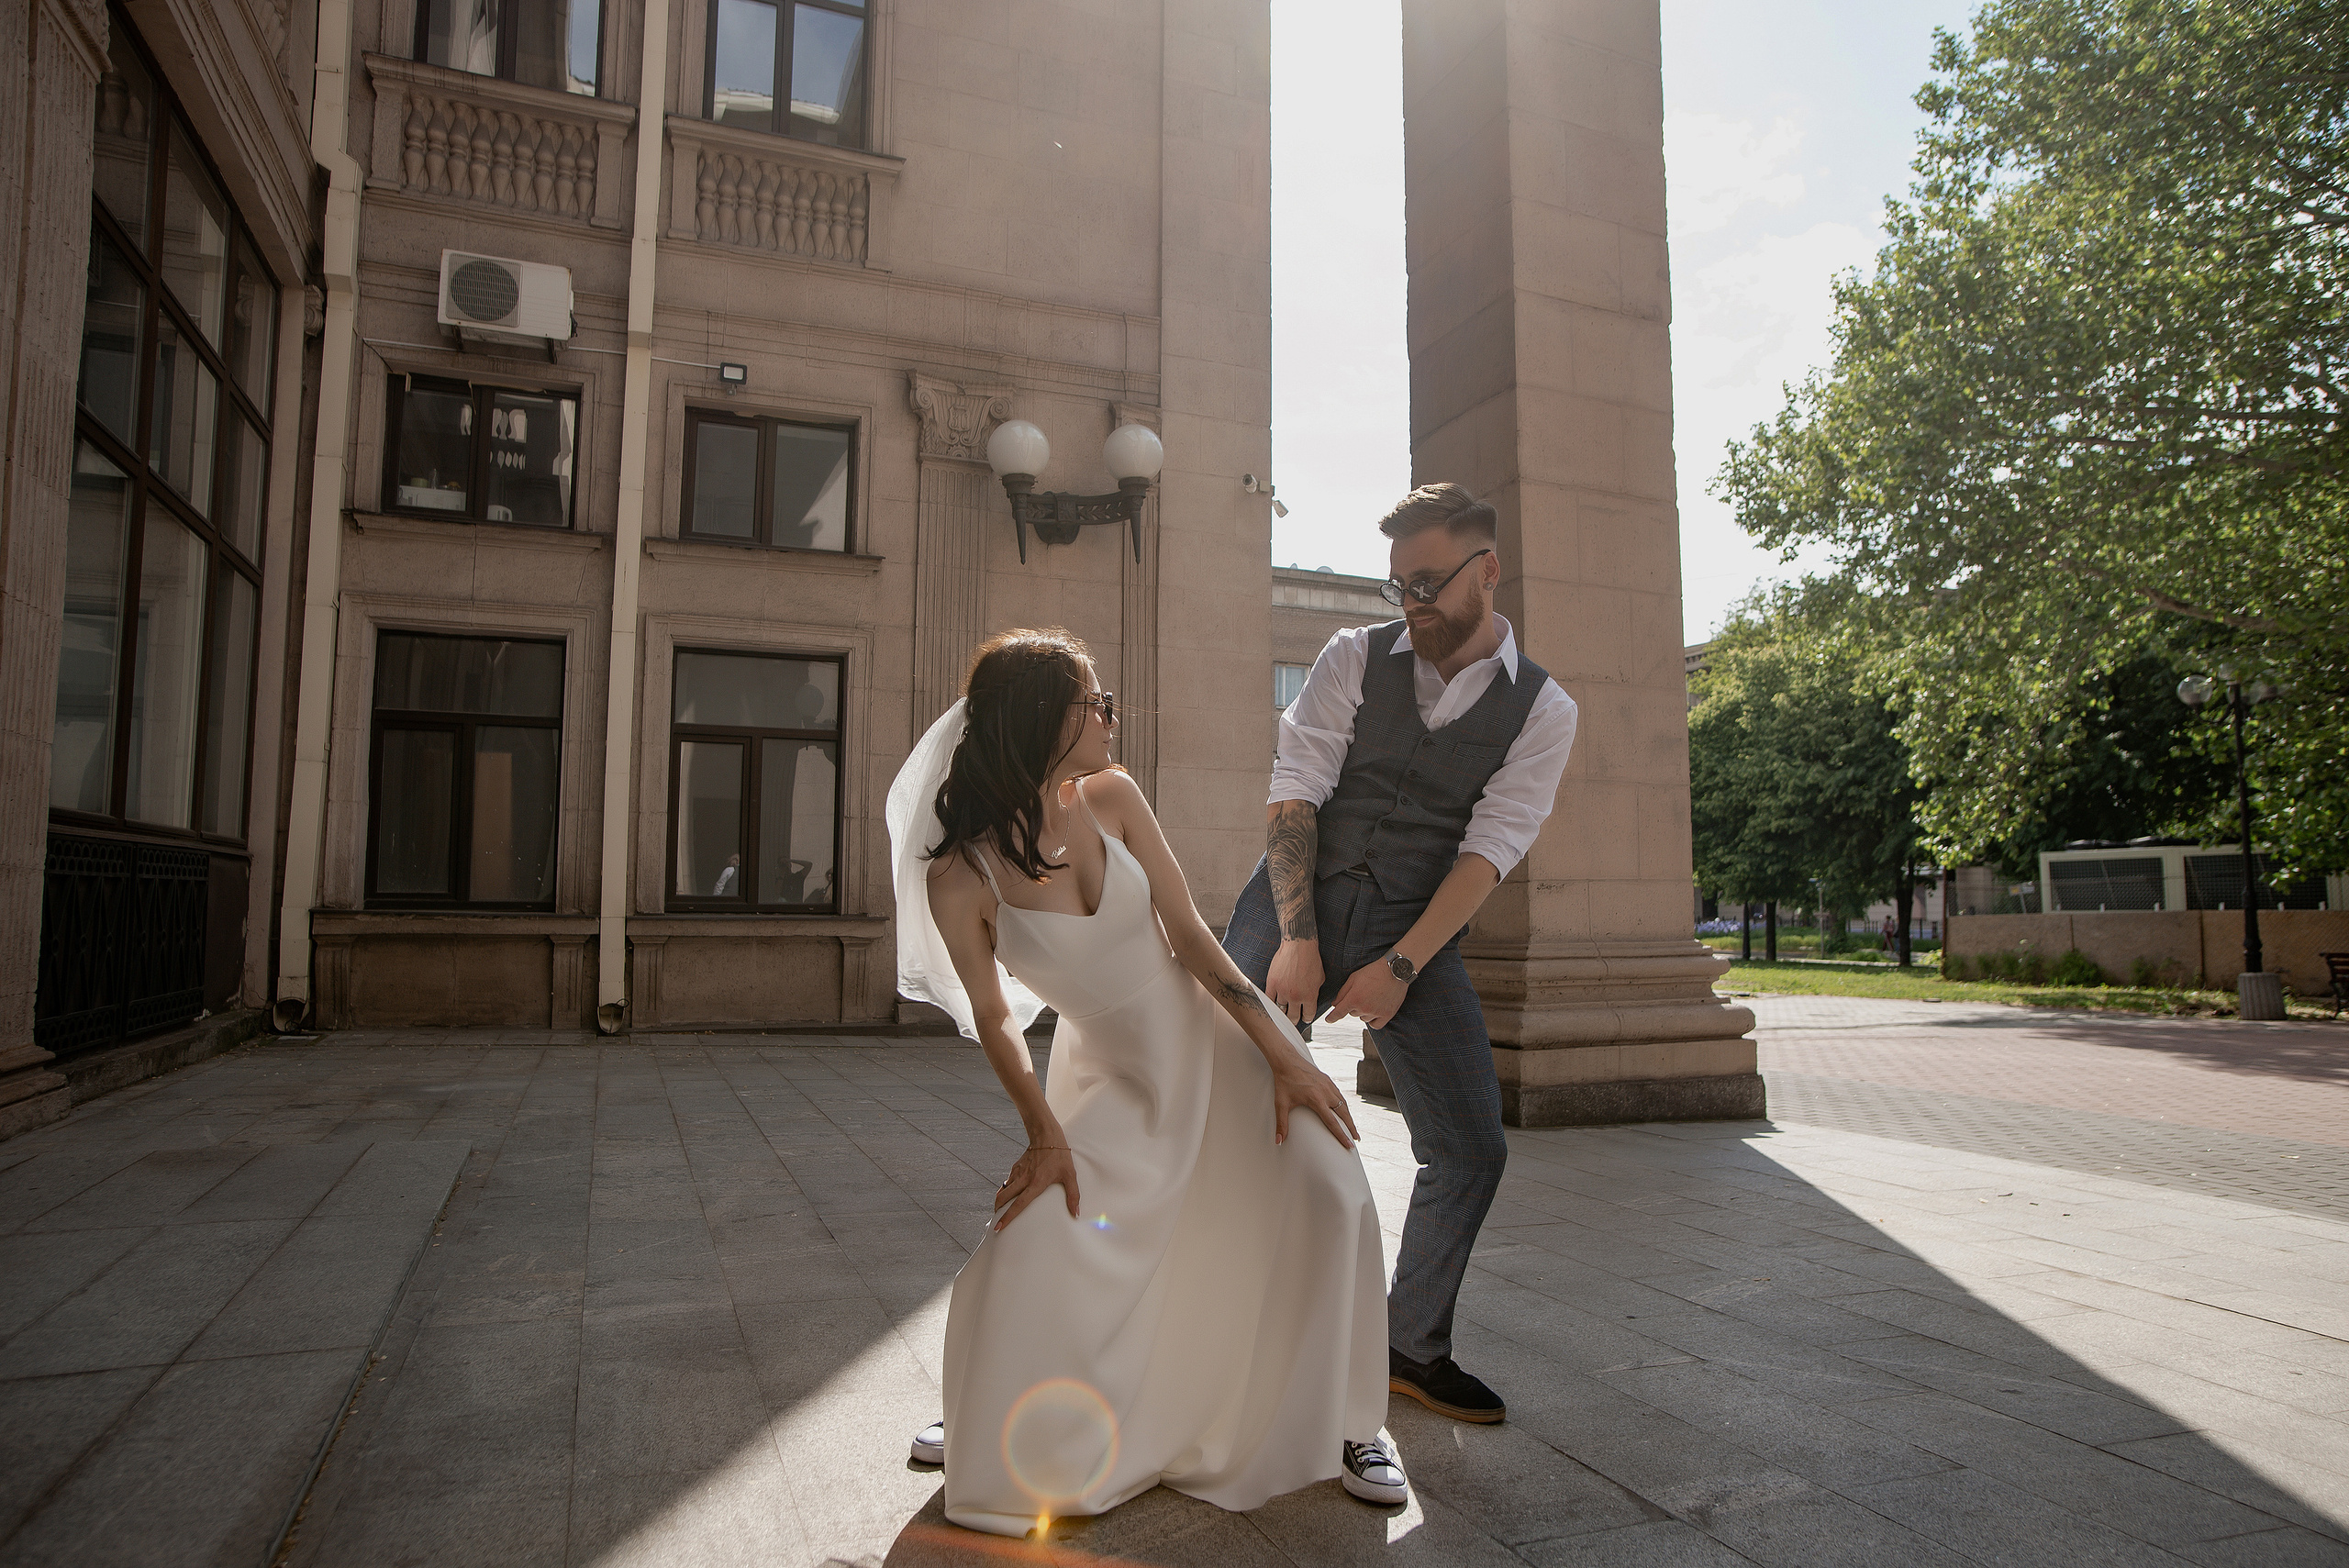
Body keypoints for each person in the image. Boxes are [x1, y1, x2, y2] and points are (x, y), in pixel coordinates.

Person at [888, 628, 1404, 1538]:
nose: (1111, 715)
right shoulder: (957, 874)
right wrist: (1043, 1131)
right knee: (1038, 1236)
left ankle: (1352, 1423)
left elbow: (1193, 938)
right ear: (1041, 716)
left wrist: (1282, 1050)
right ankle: (991, 1409)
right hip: (1118, 1078)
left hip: (1215, 1043)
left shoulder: (1115, 797)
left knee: (1329, 1192)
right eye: (1095, 699)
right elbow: (999, 1017)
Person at [1224, 484, 1578, 1426]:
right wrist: (1296, 941)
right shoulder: (1354, 655)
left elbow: (1489, 850)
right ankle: (1205, 1322)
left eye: (1426, 582)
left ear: (1488, 570)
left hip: (1414, 931)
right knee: (1213, 1100)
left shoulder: (1544, 710)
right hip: (1288, 903)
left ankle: (1409, 1347)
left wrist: (1403, 965)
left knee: (1470, 1148)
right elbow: (1295, 789)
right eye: (1398, 587)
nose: (1412, 603)